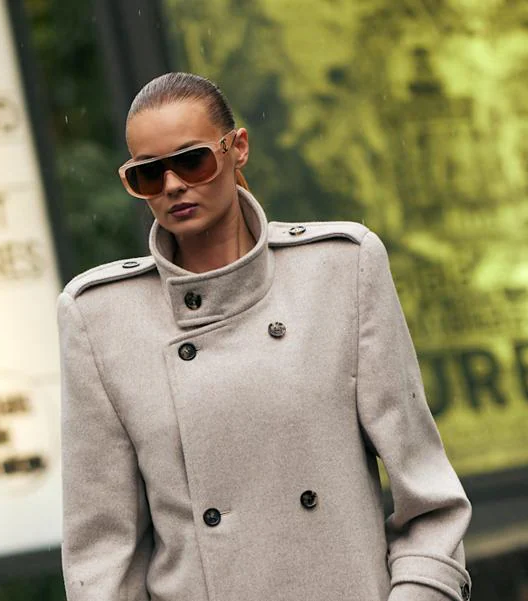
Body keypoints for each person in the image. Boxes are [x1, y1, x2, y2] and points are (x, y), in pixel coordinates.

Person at [57, 72, 472, 601]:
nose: (173, 185)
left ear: (238, 149)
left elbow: (430, 500)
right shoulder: (101, 317)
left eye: (192, 161)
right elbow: (102, 555)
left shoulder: (338, 269)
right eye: (148, 174)